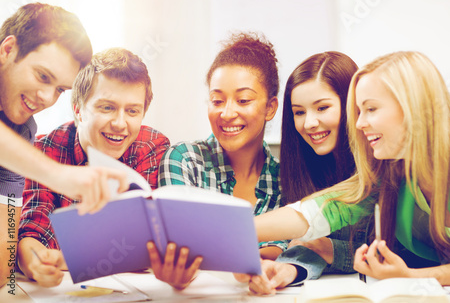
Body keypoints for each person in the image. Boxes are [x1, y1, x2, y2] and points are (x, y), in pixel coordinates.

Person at [254, 51, 450, 288]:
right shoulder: (396, 165)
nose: (359, 124)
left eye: (370, 109)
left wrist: (410, 277)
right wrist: (242, 229)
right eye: (359, 112)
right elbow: (329, 209)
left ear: (412, 106)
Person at [16, 48, 170, 287]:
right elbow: (34, 232)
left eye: (132, 111)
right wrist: (36, 261)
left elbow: (144, 245)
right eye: (107, 107)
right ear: (78, 109)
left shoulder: (151, 146)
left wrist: (68, 256)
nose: (120, 124)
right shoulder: (45, 149)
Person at [0, 3, 128, 288]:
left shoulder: (20, 134)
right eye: (42, 76)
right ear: (7, 50)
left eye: (59, 89)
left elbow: (2, 265)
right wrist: (60, 176)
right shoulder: (26, 151)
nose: (46, 98)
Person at [151, 32, 281, 290]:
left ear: (270, 107)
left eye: (243, 100)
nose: (227, 112)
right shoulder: (183, 159)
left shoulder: (285, 178)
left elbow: (291, 247)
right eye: (217, 100)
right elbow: (180, 246)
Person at [236, 52, 365, 294]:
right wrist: (290, 269)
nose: (309, 123)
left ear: (352, 104)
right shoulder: (305, 167)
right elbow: (310, 244)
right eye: (299, 112)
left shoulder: (378, 163)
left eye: (322, 107)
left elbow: (388, 249)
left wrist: (330, 249)